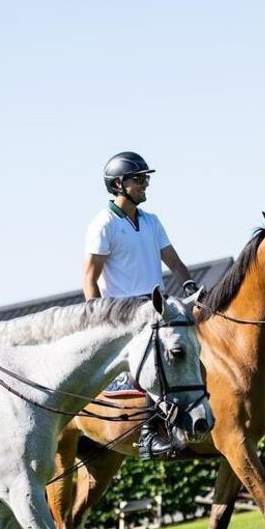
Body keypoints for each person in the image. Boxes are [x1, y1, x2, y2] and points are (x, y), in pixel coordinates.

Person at [83, 151, 198, 459]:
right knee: (155, 364)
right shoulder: (103, 224)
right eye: (140, 179)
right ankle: (148, 435)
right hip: (125, 315)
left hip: (157, 308)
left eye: (146, 178)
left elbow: (172, 260)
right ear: (119, 184)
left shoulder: (151, 220)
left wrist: (189, 284)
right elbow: (89, 279)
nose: (146, 184)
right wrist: (99, 319)